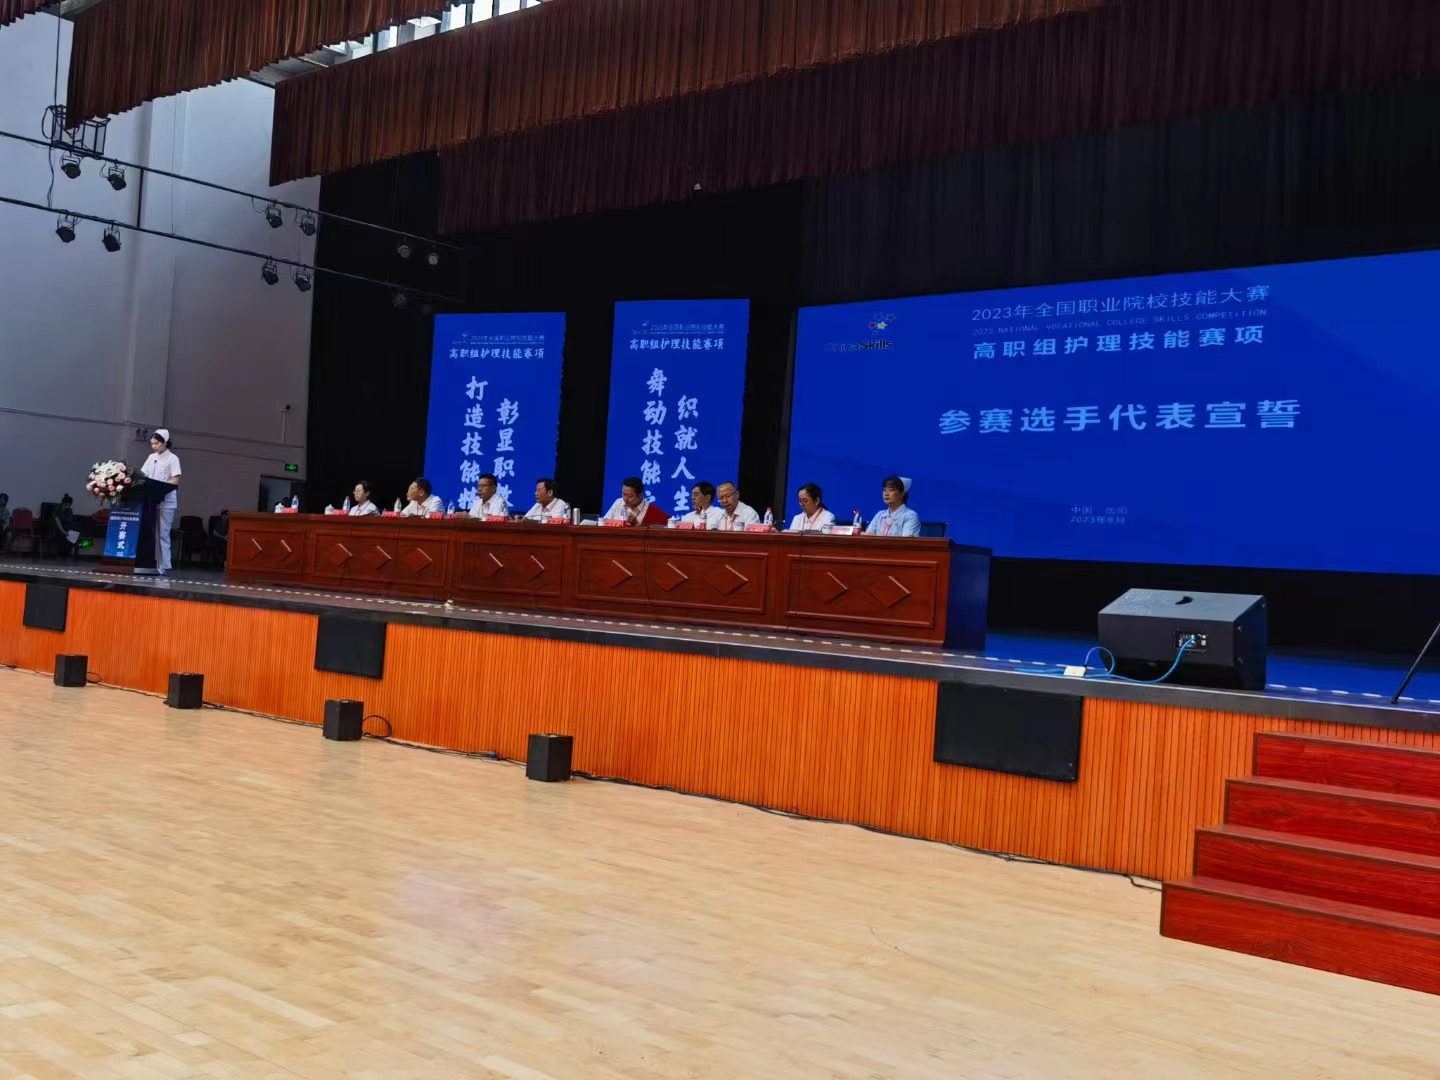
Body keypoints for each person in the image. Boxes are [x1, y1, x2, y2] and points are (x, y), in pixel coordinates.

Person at [141, 429, 182, 574]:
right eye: (152, 444)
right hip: (151, 501)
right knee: (150, 532)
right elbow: (143, 476)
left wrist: (159, 487)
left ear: (165, 442)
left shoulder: (173, 458)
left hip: (166, 502)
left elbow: (175, 480)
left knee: (162, 534)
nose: (154, 446)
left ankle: (164, 565)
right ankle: (150, 562)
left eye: (157, 443)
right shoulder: (151, 457)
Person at [603, 476, 669, 526]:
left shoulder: (650, 510)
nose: (625, 499)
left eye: (630, 496)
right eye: (623, 494)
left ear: (640, 495)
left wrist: (636, 524)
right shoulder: (618, 503)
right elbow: (603, 522)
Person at [53, 494, 79, 558]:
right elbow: (57, 521)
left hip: (66, 527)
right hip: (57, 528)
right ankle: (62, 554)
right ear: (64, 504)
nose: (68, 507)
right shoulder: (57, 509)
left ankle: (69, 553)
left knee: (76, 537)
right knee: (64, 537)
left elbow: (69, 520)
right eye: (67, 505)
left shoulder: (69, 510)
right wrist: (64, 531)